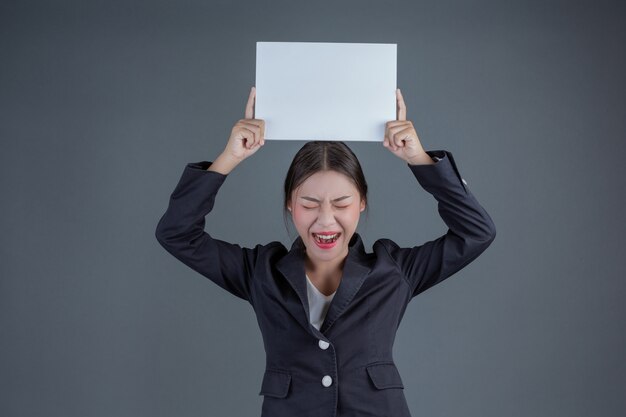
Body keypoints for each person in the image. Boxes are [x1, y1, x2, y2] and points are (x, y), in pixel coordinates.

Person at [155, 86, 496, 417]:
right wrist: (228, 158)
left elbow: (476, 232)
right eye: (309, 204)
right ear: (290, 204)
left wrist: (419, 159)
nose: (326, 220)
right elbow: (177, 233)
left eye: (341, 203)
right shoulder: (261, 272)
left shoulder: (394, 270)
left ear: (362, 202)